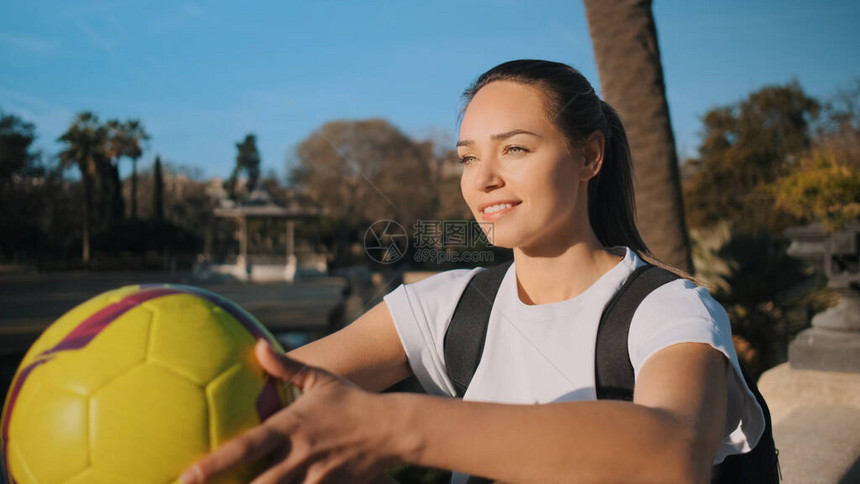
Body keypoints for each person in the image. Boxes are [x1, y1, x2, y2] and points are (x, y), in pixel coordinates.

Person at [179, 59, 765, 484]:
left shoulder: (669, 309)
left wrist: (395, 426)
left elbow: (671, 456)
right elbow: (256, 393)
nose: (482, 179)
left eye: (514, 149)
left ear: (589, 156)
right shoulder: (448, 307)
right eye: (467, 157)